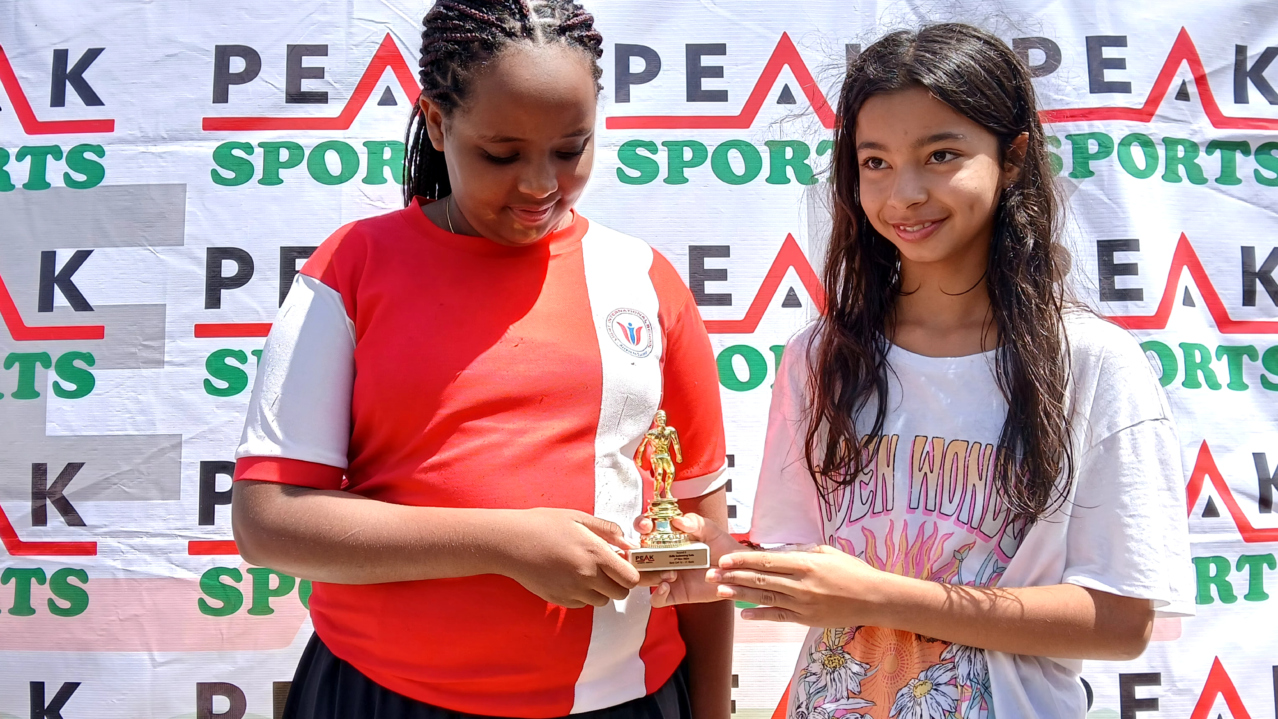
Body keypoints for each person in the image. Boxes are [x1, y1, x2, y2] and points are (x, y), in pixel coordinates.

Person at [648, 24, 1192, 718]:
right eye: (874, 162)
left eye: (941, 155)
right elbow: (809, 571)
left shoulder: (1091, 362)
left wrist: (881, 597)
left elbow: (1121, 621)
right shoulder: (819, 357)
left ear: (1014, 157)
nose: (903, 193)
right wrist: (718, 566)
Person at [229, 2, 732, 718]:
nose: (539, 185)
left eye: (571, 150)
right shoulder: (354, 265)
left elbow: (701, 537)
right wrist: (506, 542)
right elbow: (267, 521)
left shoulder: (644, 280)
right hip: (383, 695)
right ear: (437, 123)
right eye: (502, 154)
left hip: (623, 699)